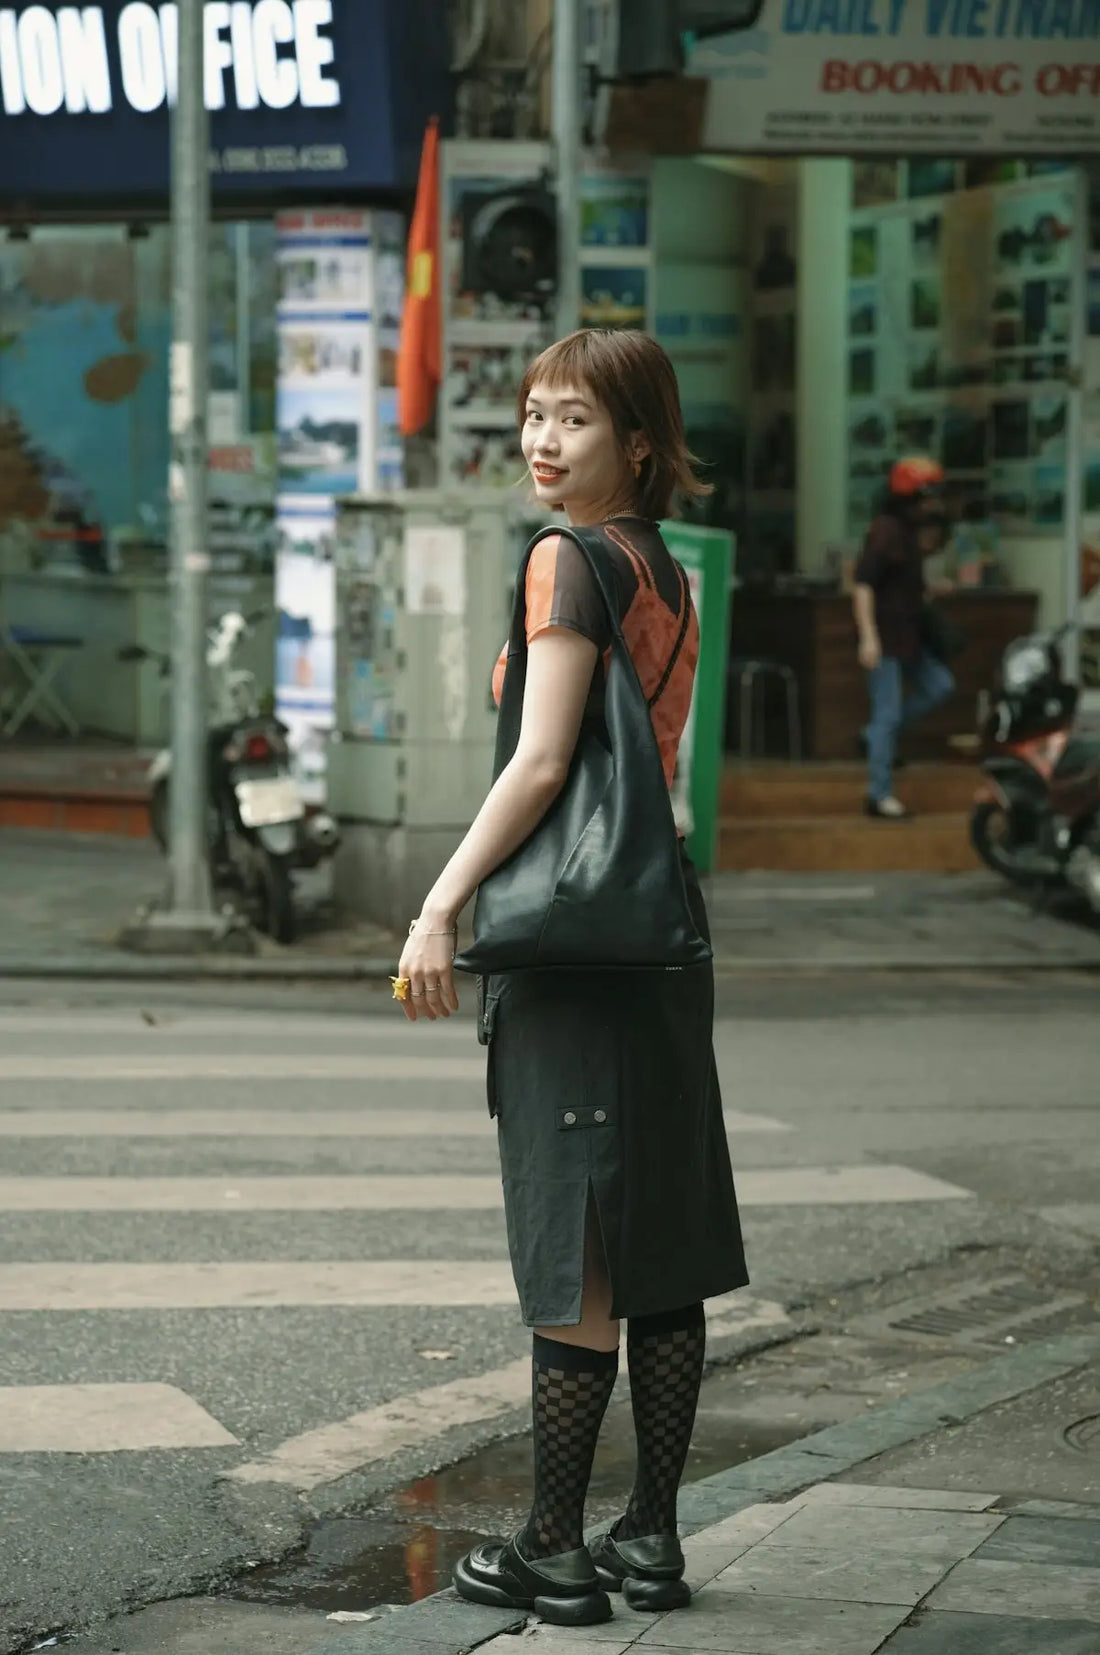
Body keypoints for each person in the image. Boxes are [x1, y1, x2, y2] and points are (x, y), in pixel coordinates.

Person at [393, 329, 748, 1628]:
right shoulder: (668, 568)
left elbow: (542, 763)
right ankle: (647, 1534)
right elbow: (666, 777)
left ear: (639, 442)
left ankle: (554, 1540)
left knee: (579, 1238)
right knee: (659, 1233)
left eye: (575, 421)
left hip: (570, 944)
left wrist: (440, 905)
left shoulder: (565, 559)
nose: (544, 440)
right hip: (661, 932)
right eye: (534, 416)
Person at [853, 456, 956, 819]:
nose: (934, 502)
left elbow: (902, 585)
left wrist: (928, 590)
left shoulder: (909, 532)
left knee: (939, 686)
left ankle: (873, 738)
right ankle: (879, 796)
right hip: (885, 639)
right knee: (888, 714)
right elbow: (863, 585)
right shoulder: (886, 530)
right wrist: (868, 638)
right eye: (928, 494)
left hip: (909, 637)